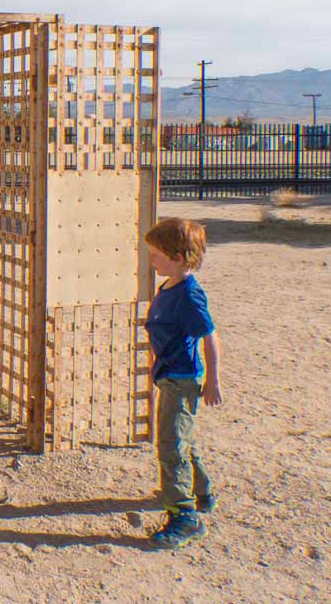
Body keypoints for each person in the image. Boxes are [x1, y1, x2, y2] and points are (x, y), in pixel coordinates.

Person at [142, 217, 222, 549]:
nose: (152, 261)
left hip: (182, 379)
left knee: (171, 446)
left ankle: (184, 517)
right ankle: (202, 493)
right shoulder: (168, 285)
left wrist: (213, 380)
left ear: (178, 257)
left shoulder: (189, 295)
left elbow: (210, 336)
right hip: (169, 375)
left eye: (157, 255)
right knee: (183, 438)